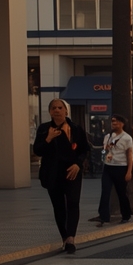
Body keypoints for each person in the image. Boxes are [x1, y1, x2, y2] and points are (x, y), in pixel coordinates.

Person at [33, 99, 90, 253]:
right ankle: (64, 237)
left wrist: (78, 164)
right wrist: (48, 138)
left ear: (66, 111)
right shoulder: (44, 129)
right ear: (50, 112)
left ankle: (71, 238)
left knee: (73, 202)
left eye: (60, 108)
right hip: (53, 173)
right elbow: (37, 150)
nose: (57, 110)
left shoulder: (76, 128)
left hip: (72, 171)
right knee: (58, 206)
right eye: (54, 108)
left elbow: (84, 149)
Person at [98, 115, 133, 226]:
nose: (114, 123)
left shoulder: (127, 138)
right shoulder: (108, 136)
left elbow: (130, 155)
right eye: (113, 121)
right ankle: (103, 216)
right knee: (105, 191)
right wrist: (106, 148)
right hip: (108, 166)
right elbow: (104, 150)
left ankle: (126, 215)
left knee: (121, 192)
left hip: (121, 167)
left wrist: (129, 171)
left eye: (117, 122)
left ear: (122, 124)